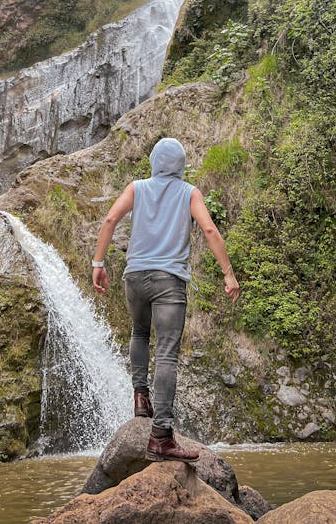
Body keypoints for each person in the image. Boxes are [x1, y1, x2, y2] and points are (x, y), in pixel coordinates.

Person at [92, 137, 241, 462]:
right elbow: (210, 231)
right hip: (168, 282)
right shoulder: (189, 193)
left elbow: (109, 220)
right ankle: (161, 436)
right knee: (168, 354)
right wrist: (228, 274)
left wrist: (98, 264)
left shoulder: (136, 188)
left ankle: (140, 398)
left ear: (154, 162)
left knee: (139, 333)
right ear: (181, 165)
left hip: (134, 277)